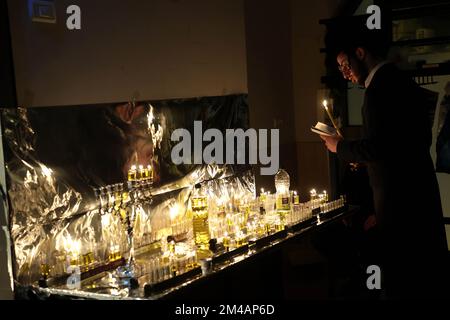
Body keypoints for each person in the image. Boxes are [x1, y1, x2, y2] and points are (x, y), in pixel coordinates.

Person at [320, 26, 448, 299]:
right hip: (420, 198)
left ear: (360, 53)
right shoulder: (402, 82)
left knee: (405, 281)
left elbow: (379, 146)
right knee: (426, 279)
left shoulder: (378, 90)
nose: (345, 73)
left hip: (400, 208)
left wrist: (339, 146)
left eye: (345, 64)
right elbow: (406, 144)